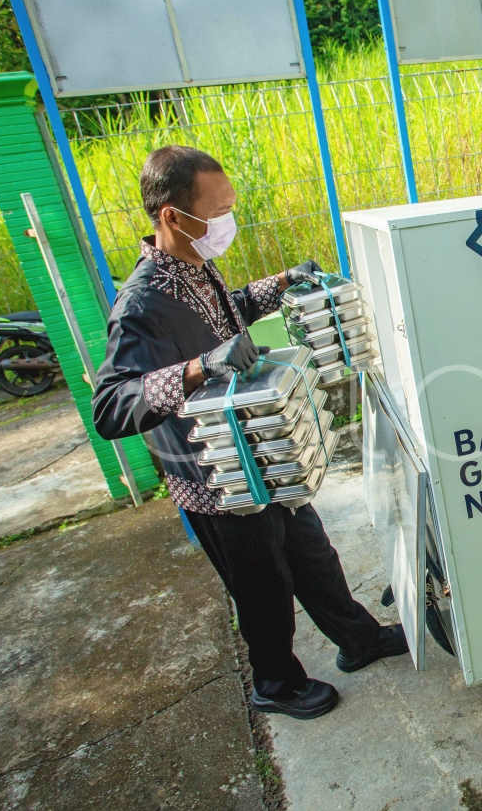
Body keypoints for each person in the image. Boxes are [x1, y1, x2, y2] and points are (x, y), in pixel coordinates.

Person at [92, 146, 407, 721]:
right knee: (262, 588)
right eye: (219, 212)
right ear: (172, 216)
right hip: (217, 477)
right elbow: (113, 405)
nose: (228, 222)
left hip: (263, 451)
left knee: (313, 555)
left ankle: (359, 639)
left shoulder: (194, 265)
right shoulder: (141, 303)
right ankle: (275, 683)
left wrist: (280, 283)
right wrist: (200, 367)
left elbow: (227, 312)